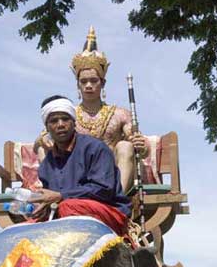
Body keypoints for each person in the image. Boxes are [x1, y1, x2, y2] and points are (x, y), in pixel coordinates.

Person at [34, 26, 147, 193]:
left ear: (102, 83)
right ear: (77, 84)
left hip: (110, 175)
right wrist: (42, 140)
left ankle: (117, 198)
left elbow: (138, 145)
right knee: (46, 147)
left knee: (124, 146)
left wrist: (140, 145)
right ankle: (53, 192)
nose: (88, 85)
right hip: (76, 173)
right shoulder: (67, 116)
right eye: (83, 81)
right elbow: (42, 139)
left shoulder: (120, 114)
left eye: (94, 80)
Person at [31, 95, 132, 236]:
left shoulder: (95, 148)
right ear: (47, 127)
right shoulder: (47, 164)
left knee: (67, 206)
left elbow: (104, 190)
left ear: (74, 122)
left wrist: (61, 196)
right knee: (24, 229)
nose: (60, 124)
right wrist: (43, 207)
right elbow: (52, 200)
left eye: (65, 119)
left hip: (109, 212)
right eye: (54, 121)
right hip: (66, 217)